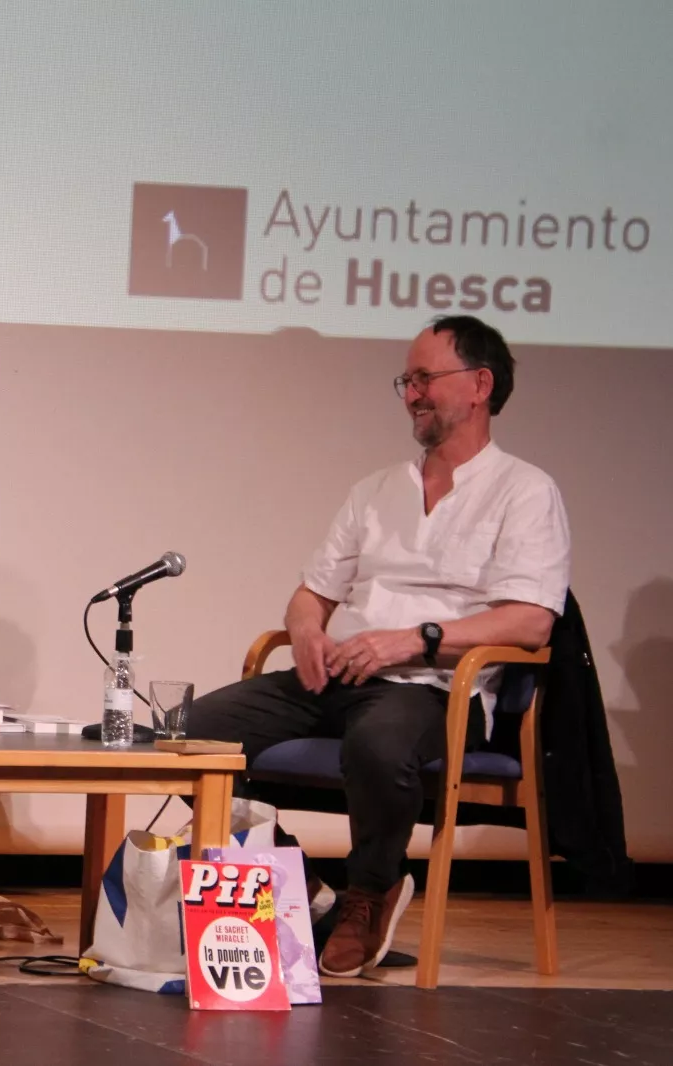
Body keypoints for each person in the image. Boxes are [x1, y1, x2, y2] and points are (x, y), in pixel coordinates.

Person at [185, 315, 571, 978]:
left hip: (436, 691)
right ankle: (296, 883)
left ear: (480, 385)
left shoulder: (525, 491)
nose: (411, 394)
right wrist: (306, 631)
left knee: (380, 743)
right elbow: (312, 595)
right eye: (406, 380)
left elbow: (532, 622)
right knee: (190, 735)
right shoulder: (375, 490)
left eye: (425, 378)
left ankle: (371, 889)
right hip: (339, 678)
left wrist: (415, 640)